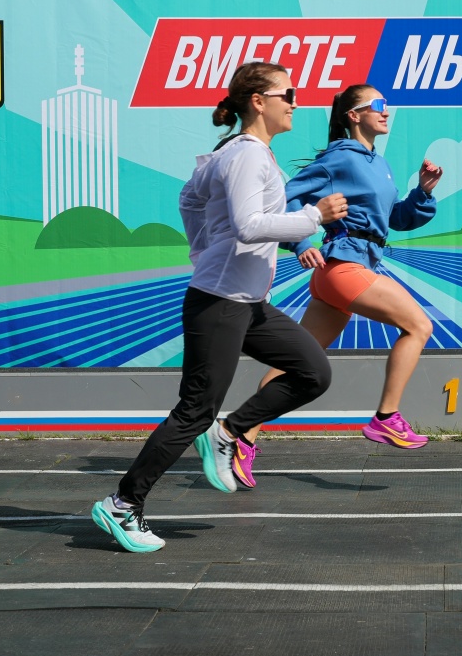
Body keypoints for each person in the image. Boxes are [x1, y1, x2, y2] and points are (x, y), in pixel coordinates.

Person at [91, 62, 348, 553]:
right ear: (258, 101)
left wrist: (205, 251)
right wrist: (313, 216)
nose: (296, 103)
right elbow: (250, 226)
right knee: (193, 412)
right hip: (220, 304)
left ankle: (228, 432)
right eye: (288, 94)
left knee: (313, 372)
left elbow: (190, 201)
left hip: (246, 304)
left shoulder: (233, 152)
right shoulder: (247, 154)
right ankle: (122, 504)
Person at [237, 83, 444, 459]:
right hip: (343, 268)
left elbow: (394, 219)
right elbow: (284, 199)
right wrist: (301, 242)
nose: (385, 111)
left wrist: (423, 192)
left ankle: (240, 436)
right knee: (419, 326)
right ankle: (386, 417)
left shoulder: (378, 164)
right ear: (354, 115)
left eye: (386, 104)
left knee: (298, 362)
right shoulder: (342, 157)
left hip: (342, 274)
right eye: (378, 104)